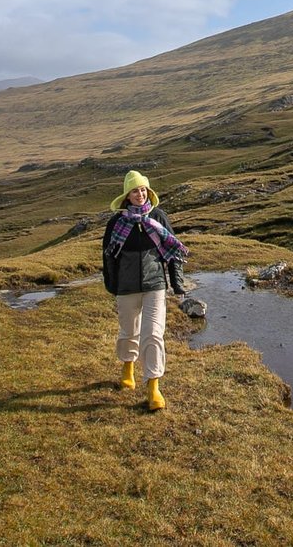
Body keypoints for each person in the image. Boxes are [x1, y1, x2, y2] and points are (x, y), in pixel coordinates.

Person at [101, 170, 188, 411]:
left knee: (153, 334)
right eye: (134, 191)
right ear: (127, 196)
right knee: (129, 331)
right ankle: (128, 367)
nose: (139, 195)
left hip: (155, 284)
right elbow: (108, 256)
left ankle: (153, 387)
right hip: (126, 287)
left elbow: (174, 252)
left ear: (148, 192)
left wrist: (177, 283)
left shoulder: (158, 217)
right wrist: (111, 283)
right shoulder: (116, 223)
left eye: (143, 190)